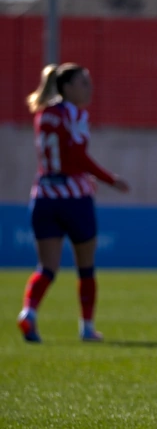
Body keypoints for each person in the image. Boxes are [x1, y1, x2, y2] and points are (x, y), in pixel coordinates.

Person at [17, 62, 129, 343]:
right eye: (83, 83)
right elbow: (77, 156)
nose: (89, 88)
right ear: (66, 87)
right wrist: (109, 179)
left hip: (43, 196)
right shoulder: (73, 114)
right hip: (74, 198)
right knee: (86, 266)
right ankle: (87, 327)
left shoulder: (44, 113)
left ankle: (28, 312)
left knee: (46, 267)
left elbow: (60, 155)